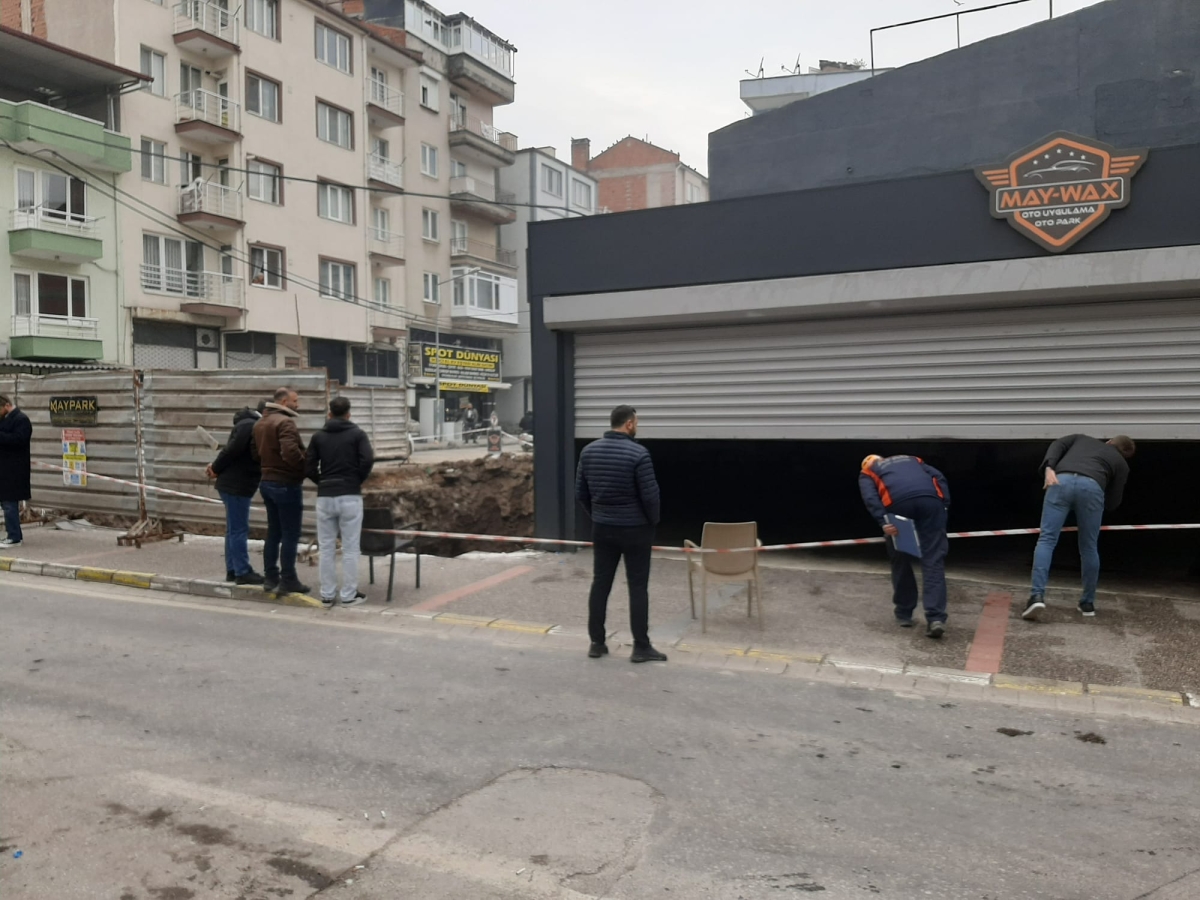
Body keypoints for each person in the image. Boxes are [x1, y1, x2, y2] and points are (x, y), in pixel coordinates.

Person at [575, 405, 667, 663]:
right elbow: (651, 497)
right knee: (638, 587)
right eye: (636, 422)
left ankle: (597, 643)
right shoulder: (639, 453)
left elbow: (580, 493)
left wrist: (598, 515)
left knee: (600, 583)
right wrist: (652, 522)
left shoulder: (588, 451)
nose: (637, 426)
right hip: (636, 529)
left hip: (603, 528)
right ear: (629, 424)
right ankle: (641, 647)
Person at [1023, 434, 1135, 621]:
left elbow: (1057, 443)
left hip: (1061, 481)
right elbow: (1114, 502)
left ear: (1109, 441)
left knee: (1047, 539)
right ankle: (1087, 603)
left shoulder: (1081, 439)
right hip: (1092, 488)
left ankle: (1036, 596)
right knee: (1089, 547)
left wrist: (1049, 467)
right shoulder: (1121, 464)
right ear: (1124, 454)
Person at [859, 454, 952, 639]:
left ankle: (904, 613)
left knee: (900, 558)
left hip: (898, 505)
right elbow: (939, 477)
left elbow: (870, 497)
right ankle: (935, 618)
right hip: (930, 502)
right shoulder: (913, 459)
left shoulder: (867, 472)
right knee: (933, 560)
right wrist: (944, 504)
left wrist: (883, 521)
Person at [306, 396, 374, 608]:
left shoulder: (318, 437)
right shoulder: (358, 435)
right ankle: (348, 595)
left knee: (326, 548)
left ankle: (327, 595)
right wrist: (355, 480)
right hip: (350, 496)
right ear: (348, 414)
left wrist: (323, 482)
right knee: (351, 548)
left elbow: (308, 467)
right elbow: (368, 460)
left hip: (325, 496)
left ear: (329, 414)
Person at [253, 387, 309, 596]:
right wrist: (304, 469)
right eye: (295, 400)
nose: (298, 405)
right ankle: (289, 579)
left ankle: (270, 577)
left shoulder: (261, 423)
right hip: (285, 484)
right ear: (284, 402)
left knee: (273, 532)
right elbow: (290, 452)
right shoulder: (285, 422)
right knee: (290, 535)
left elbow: (255, 453)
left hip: (266, 482)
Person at [206, 401, 265, 585]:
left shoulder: (247, 425)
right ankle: (242, 571)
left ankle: (233, 569)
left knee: (233, 529)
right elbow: (230, 451)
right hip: (237, 485)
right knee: (238, 529)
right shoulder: (250, 426)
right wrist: (215, 468)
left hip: (234, 484)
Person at [0, 395, 32, 548]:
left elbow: (19, 440)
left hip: (14, 470)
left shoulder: (21, 420)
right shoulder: (5, 419)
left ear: (6, 405)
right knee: (6, 503)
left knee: (10, 503)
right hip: (5, 469)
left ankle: (14, 537)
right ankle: (12, 534)